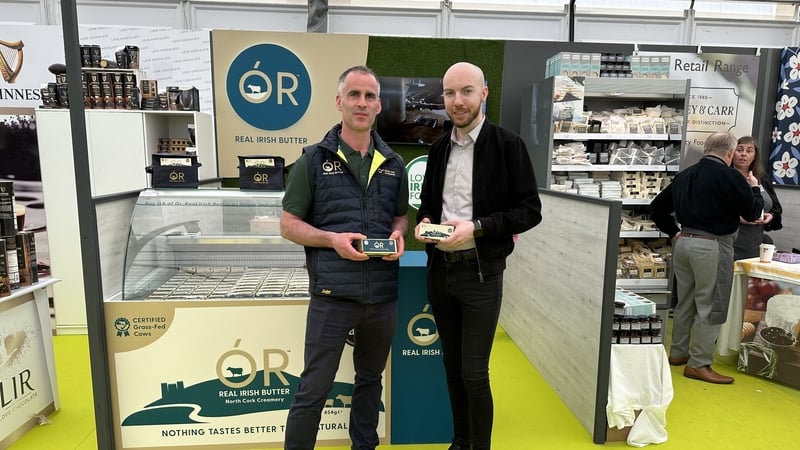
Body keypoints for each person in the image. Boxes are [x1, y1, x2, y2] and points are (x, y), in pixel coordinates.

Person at [414, 62, 542, 450]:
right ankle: (460, 440)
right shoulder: (438, 148)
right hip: (440, 272)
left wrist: (479, 227)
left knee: (474, 372)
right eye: (450, 93)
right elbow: (427, 204)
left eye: (466, 91)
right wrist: (424, 223)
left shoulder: (508, 145)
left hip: (481, 275)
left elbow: (529, 210)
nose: (457, 101)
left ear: (484, 94)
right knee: (451, 368)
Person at [281, 65, 409, 450]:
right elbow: (288, 224)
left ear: (378, 106)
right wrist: (331, 239)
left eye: (369, 96)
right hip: (332, 297)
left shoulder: (394, 164)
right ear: (339, 102)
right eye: (354, 95)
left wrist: (399, 234)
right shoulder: (313, 160)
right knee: (313, 388)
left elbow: (400, 216)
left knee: (370, 381)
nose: (362, 103)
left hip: (382, 296)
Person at [650, 132, 763, 385]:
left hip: (684, 242)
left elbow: (656, 208)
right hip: (713, 245)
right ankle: (699, 363)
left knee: (686, 301)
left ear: (706, 149)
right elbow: (753, 212)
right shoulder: (731, 177)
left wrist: (674, 231)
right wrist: (754, 189)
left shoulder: (685, 175)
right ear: (730, 153)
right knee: (711, 304)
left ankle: (678, 353)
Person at [731, 136, 783, 260]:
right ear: (731, 153)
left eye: (749, 151)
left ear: (755, 156)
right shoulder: (725, 176)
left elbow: (776, 207)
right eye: (739, 150)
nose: (743, 154)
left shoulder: (762, 178)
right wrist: (737, 217)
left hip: (755, 242)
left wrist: (771, 216)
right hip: (730, 240)